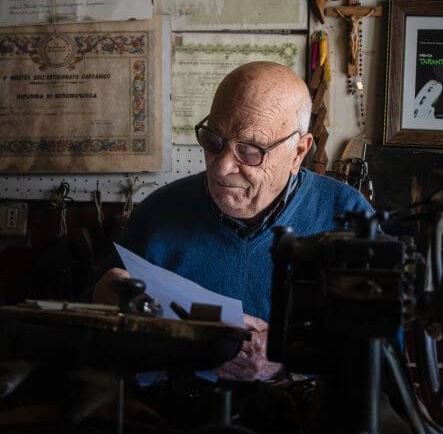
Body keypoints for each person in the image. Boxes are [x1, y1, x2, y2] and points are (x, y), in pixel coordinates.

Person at [94, 61, 372, 381]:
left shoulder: (347, 216)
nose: (222, 166)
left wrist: (286, 358)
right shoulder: (158, 213)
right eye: (214, 139)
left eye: (250, 151)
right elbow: (98, 330)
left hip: (301, 408)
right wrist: (103, 302)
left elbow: (380, 350)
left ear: (298, 152)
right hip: (176, 406)